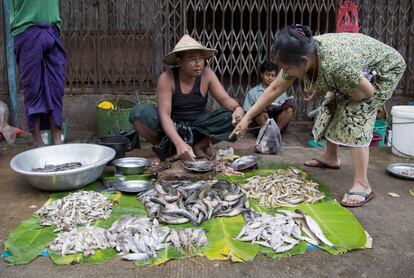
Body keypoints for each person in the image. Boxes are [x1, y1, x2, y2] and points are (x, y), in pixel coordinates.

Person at [231, 24, 406, 207]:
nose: (286, 73)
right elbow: (274, 88)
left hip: (384, 70)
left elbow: (366, 93)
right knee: (331, 105)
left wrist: (336, 92)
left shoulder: (338, 66)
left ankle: (362, 184)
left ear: (304, 61)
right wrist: (247, 117)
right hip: (350, 71)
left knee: (355, 113)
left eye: (287, 69)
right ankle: (331, 157)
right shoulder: (301, 55)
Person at [130, 34, 244, 161]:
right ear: (179, 62)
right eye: (192, 59)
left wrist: (238, 108)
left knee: (232, 117)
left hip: (199, 127)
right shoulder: (167, 78)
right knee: (139, 112)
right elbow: (164, 116)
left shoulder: (207, 74)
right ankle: (169, 148)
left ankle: (199, 147)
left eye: (201, 59)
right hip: (173, 126)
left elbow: (225, 99)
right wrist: (178, 142)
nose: (198, 64)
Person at [11, 0, 67, 147]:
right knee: (32, 88)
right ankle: (37, 141)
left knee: (56, 86)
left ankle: (56, 138)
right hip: (26, 29)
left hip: (52, 28)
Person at [243, 62, 296, 135]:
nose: (270, 78)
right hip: (260, 124)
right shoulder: (252, 92)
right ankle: (266, 134)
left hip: (276, 120)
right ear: (261, 75)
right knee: (258, 108)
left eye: (273, 75)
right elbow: (246, 111)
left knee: (290, 107)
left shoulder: (281, 92)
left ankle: (275, 133)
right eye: (267, 75)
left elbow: (285, 108)